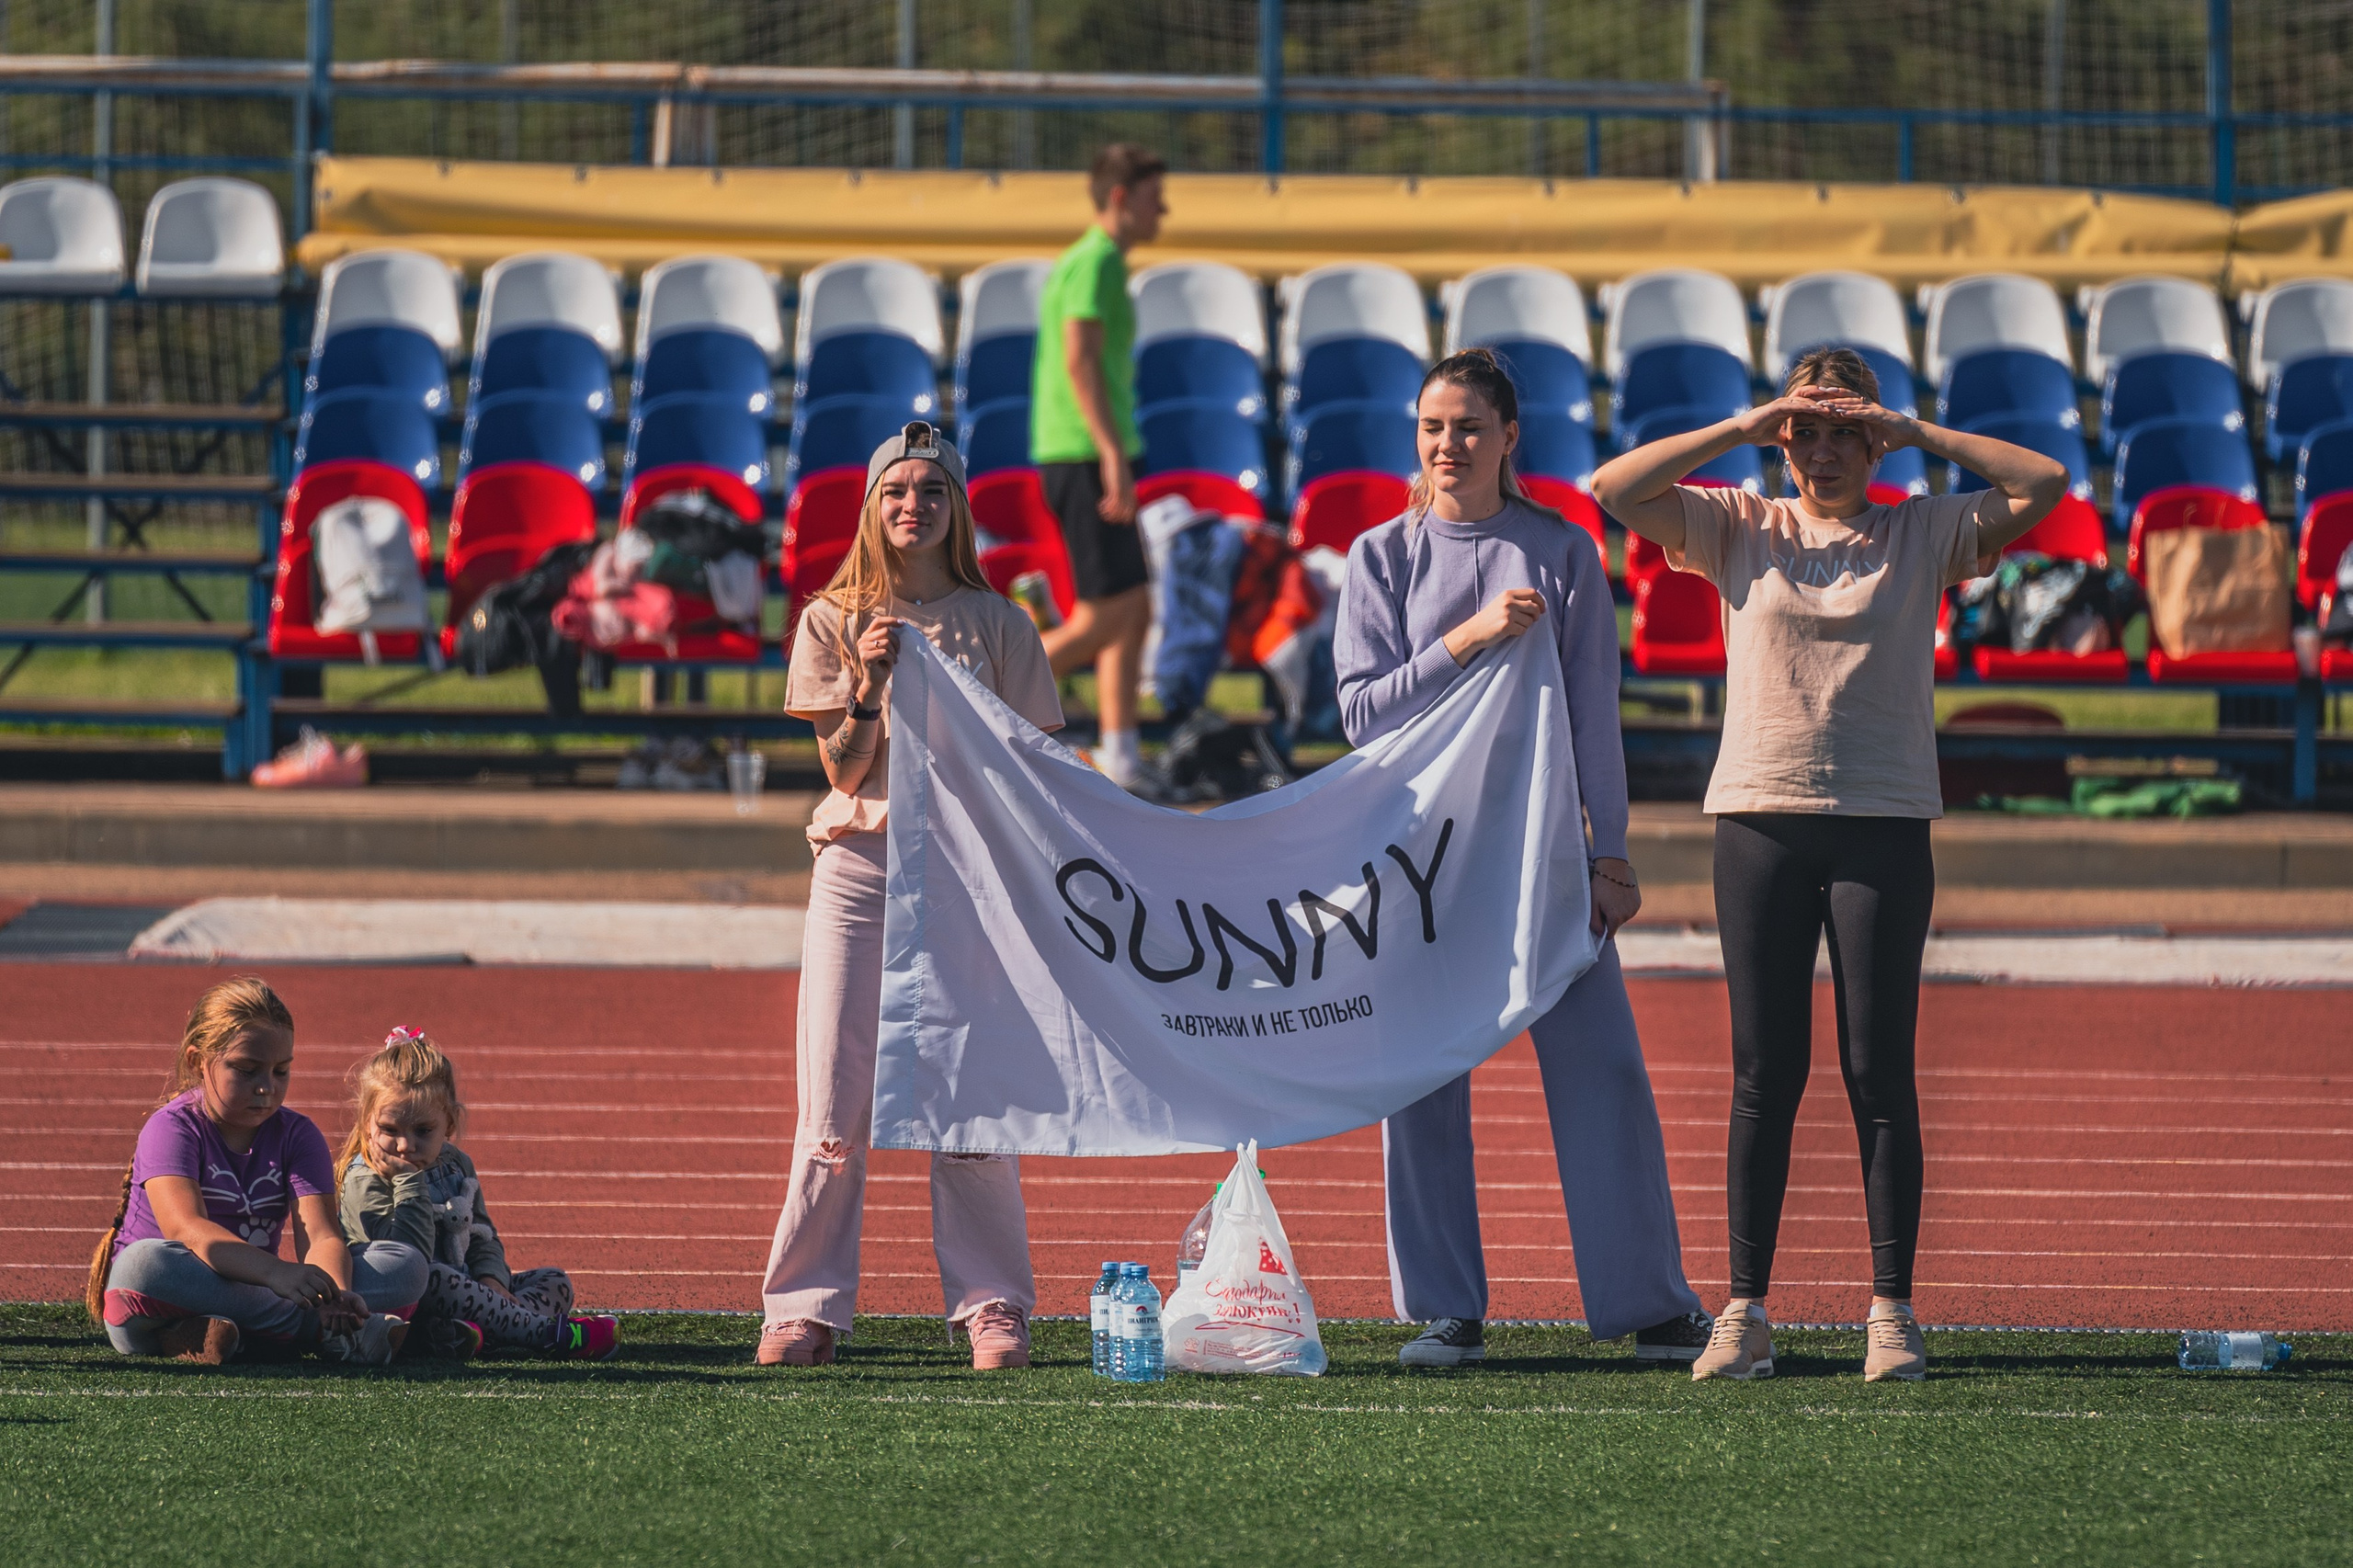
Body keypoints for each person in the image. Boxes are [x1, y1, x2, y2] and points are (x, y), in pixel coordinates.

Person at [1590, 347, 2068, 1383]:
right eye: (1806, 432)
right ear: (1784, 440)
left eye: (1846, 432)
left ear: (1874, 442)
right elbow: (1614, 489)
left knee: (1877, 1069)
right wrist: (1746, 422)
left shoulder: (1920, 531)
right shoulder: (1738, 523)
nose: (1824, 451)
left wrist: (1917, 430)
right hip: (1760, 818)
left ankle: (1890, 1312)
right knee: (1764, 1073)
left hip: (1883, 821)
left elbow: (2045, 484)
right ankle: (1744, 1310)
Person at [1335, 348, 1712, 1369]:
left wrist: (1610, 853)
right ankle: (1446, 1308)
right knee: (1421, 1084)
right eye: (1432, 427)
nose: (1447, 444)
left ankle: (1651, 1303)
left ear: (1510, 436)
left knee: (1605, 1071)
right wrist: (1469, 637)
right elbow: (1363, 714)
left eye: (1468, 426)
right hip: (1418, 863)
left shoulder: (1561, 550)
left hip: (1544, 858)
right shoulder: (1379, 556)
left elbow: (1595, 716)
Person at [756, 422, 1065, 1370]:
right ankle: (803, 1305)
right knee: (834, 1099)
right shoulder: (831, 618)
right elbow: (843, 770)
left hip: (971, 878)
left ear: (956, 508)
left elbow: (1034, 769)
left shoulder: (1003, 624)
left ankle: (991, 1303)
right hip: (861, 866)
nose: (913, 506)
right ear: (870, 506)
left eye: (933, 491)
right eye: (895, 490)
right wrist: (870, 682)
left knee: (972, 1096)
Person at [85, 976, 424, 1365]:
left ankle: (220, 1334)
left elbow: (320, 1236)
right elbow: (186, 1229)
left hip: (254, 1288)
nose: (266, 1087)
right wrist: (277, 1274)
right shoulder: (172, 1127)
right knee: (143, 1265)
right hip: (179, 1286)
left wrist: (335, 1295)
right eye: (247, 1070)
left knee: (405, 1265)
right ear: (198, 1061)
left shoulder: (298, 1134)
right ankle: (312, 1332)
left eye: (281, 1071)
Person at [339, 1028, 618, 1360]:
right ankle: (544, 1334)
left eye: (423, 1130)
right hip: (413, 1300)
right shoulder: (365, 1178)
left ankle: (475, 1331)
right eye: (389, 1130)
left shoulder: (456, 1164)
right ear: (366, 1123)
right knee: (434, 1276)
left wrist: (492, 1280)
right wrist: (409, 1181)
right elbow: (408, 1263)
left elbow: (482, 1235)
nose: (405, 1145)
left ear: (449, 1124)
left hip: (468, 1290)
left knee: (555, 1280)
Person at [1031, 142, 1168, 793]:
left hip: (1090, 449)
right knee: (1103, 616)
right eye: (1153, 198)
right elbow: (1079, 359)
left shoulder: (1095, 261)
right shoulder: (1096, 262)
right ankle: (969, 703)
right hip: (1084, 452)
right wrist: (1112, 454)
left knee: (1133, 606)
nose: (1162, 212)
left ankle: (1121, 755)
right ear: (1120, 198)